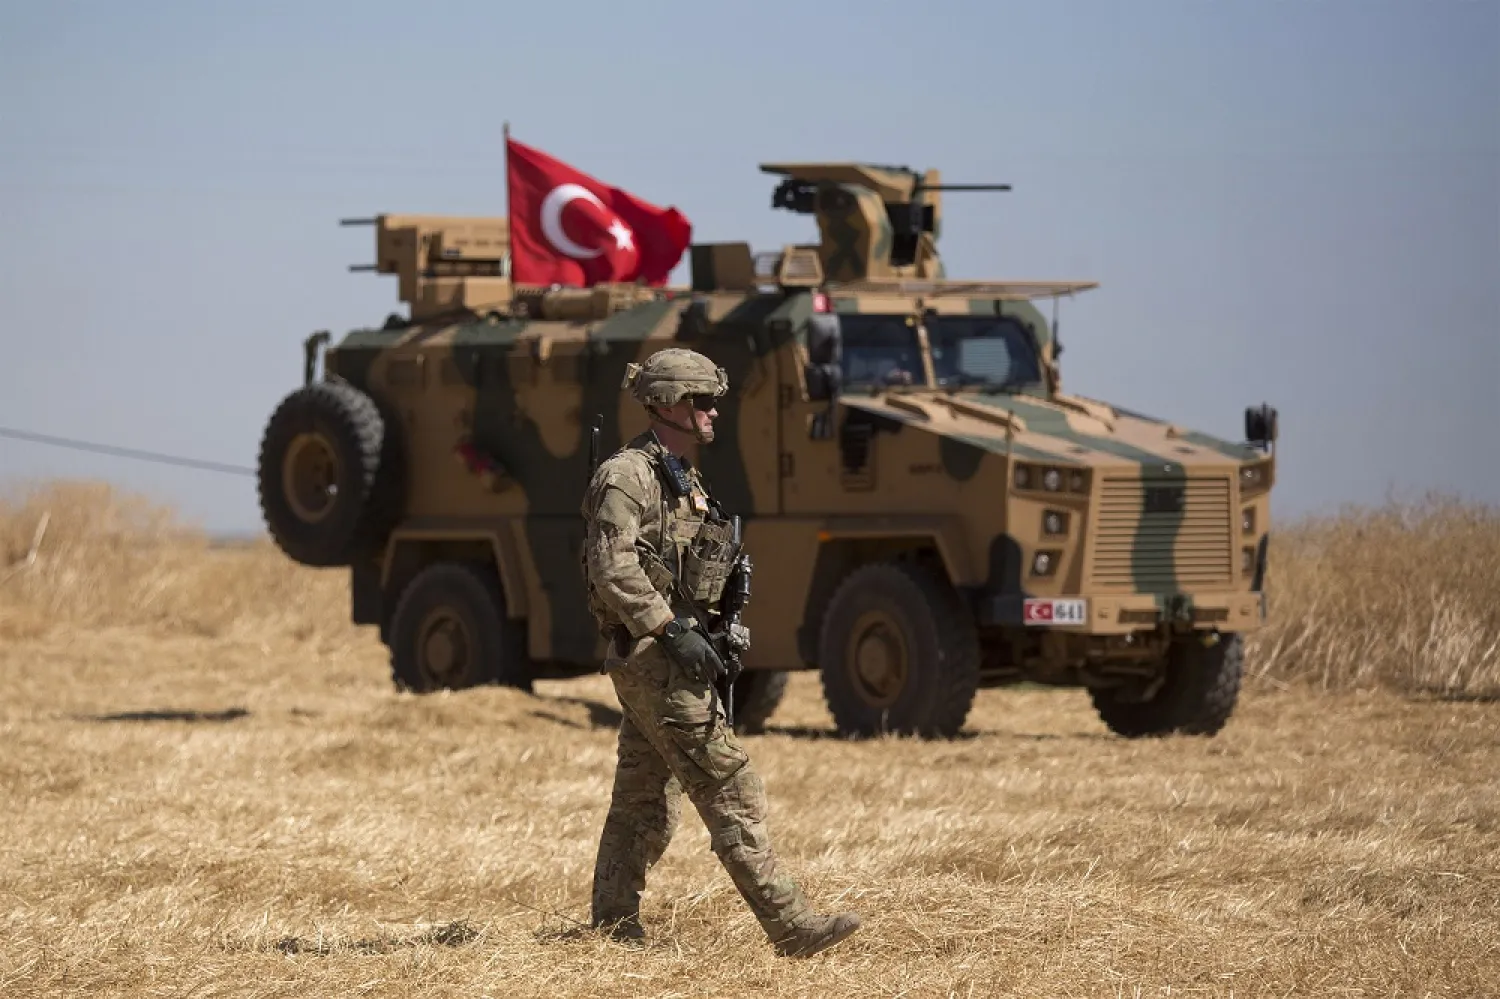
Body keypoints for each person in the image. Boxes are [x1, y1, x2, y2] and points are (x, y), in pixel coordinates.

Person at [578, 346, 862, 959]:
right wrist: (669, 629)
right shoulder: (627, 476)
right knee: (729, 784)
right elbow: (612, 565)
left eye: (713, 402)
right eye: (700, 402)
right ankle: (791, 926)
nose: (712, 413)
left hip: (671, 656)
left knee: (642, 799)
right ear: (665, 406)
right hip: (655, 659)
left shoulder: (682, 476)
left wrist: (714, 626)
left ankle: (612, 925)